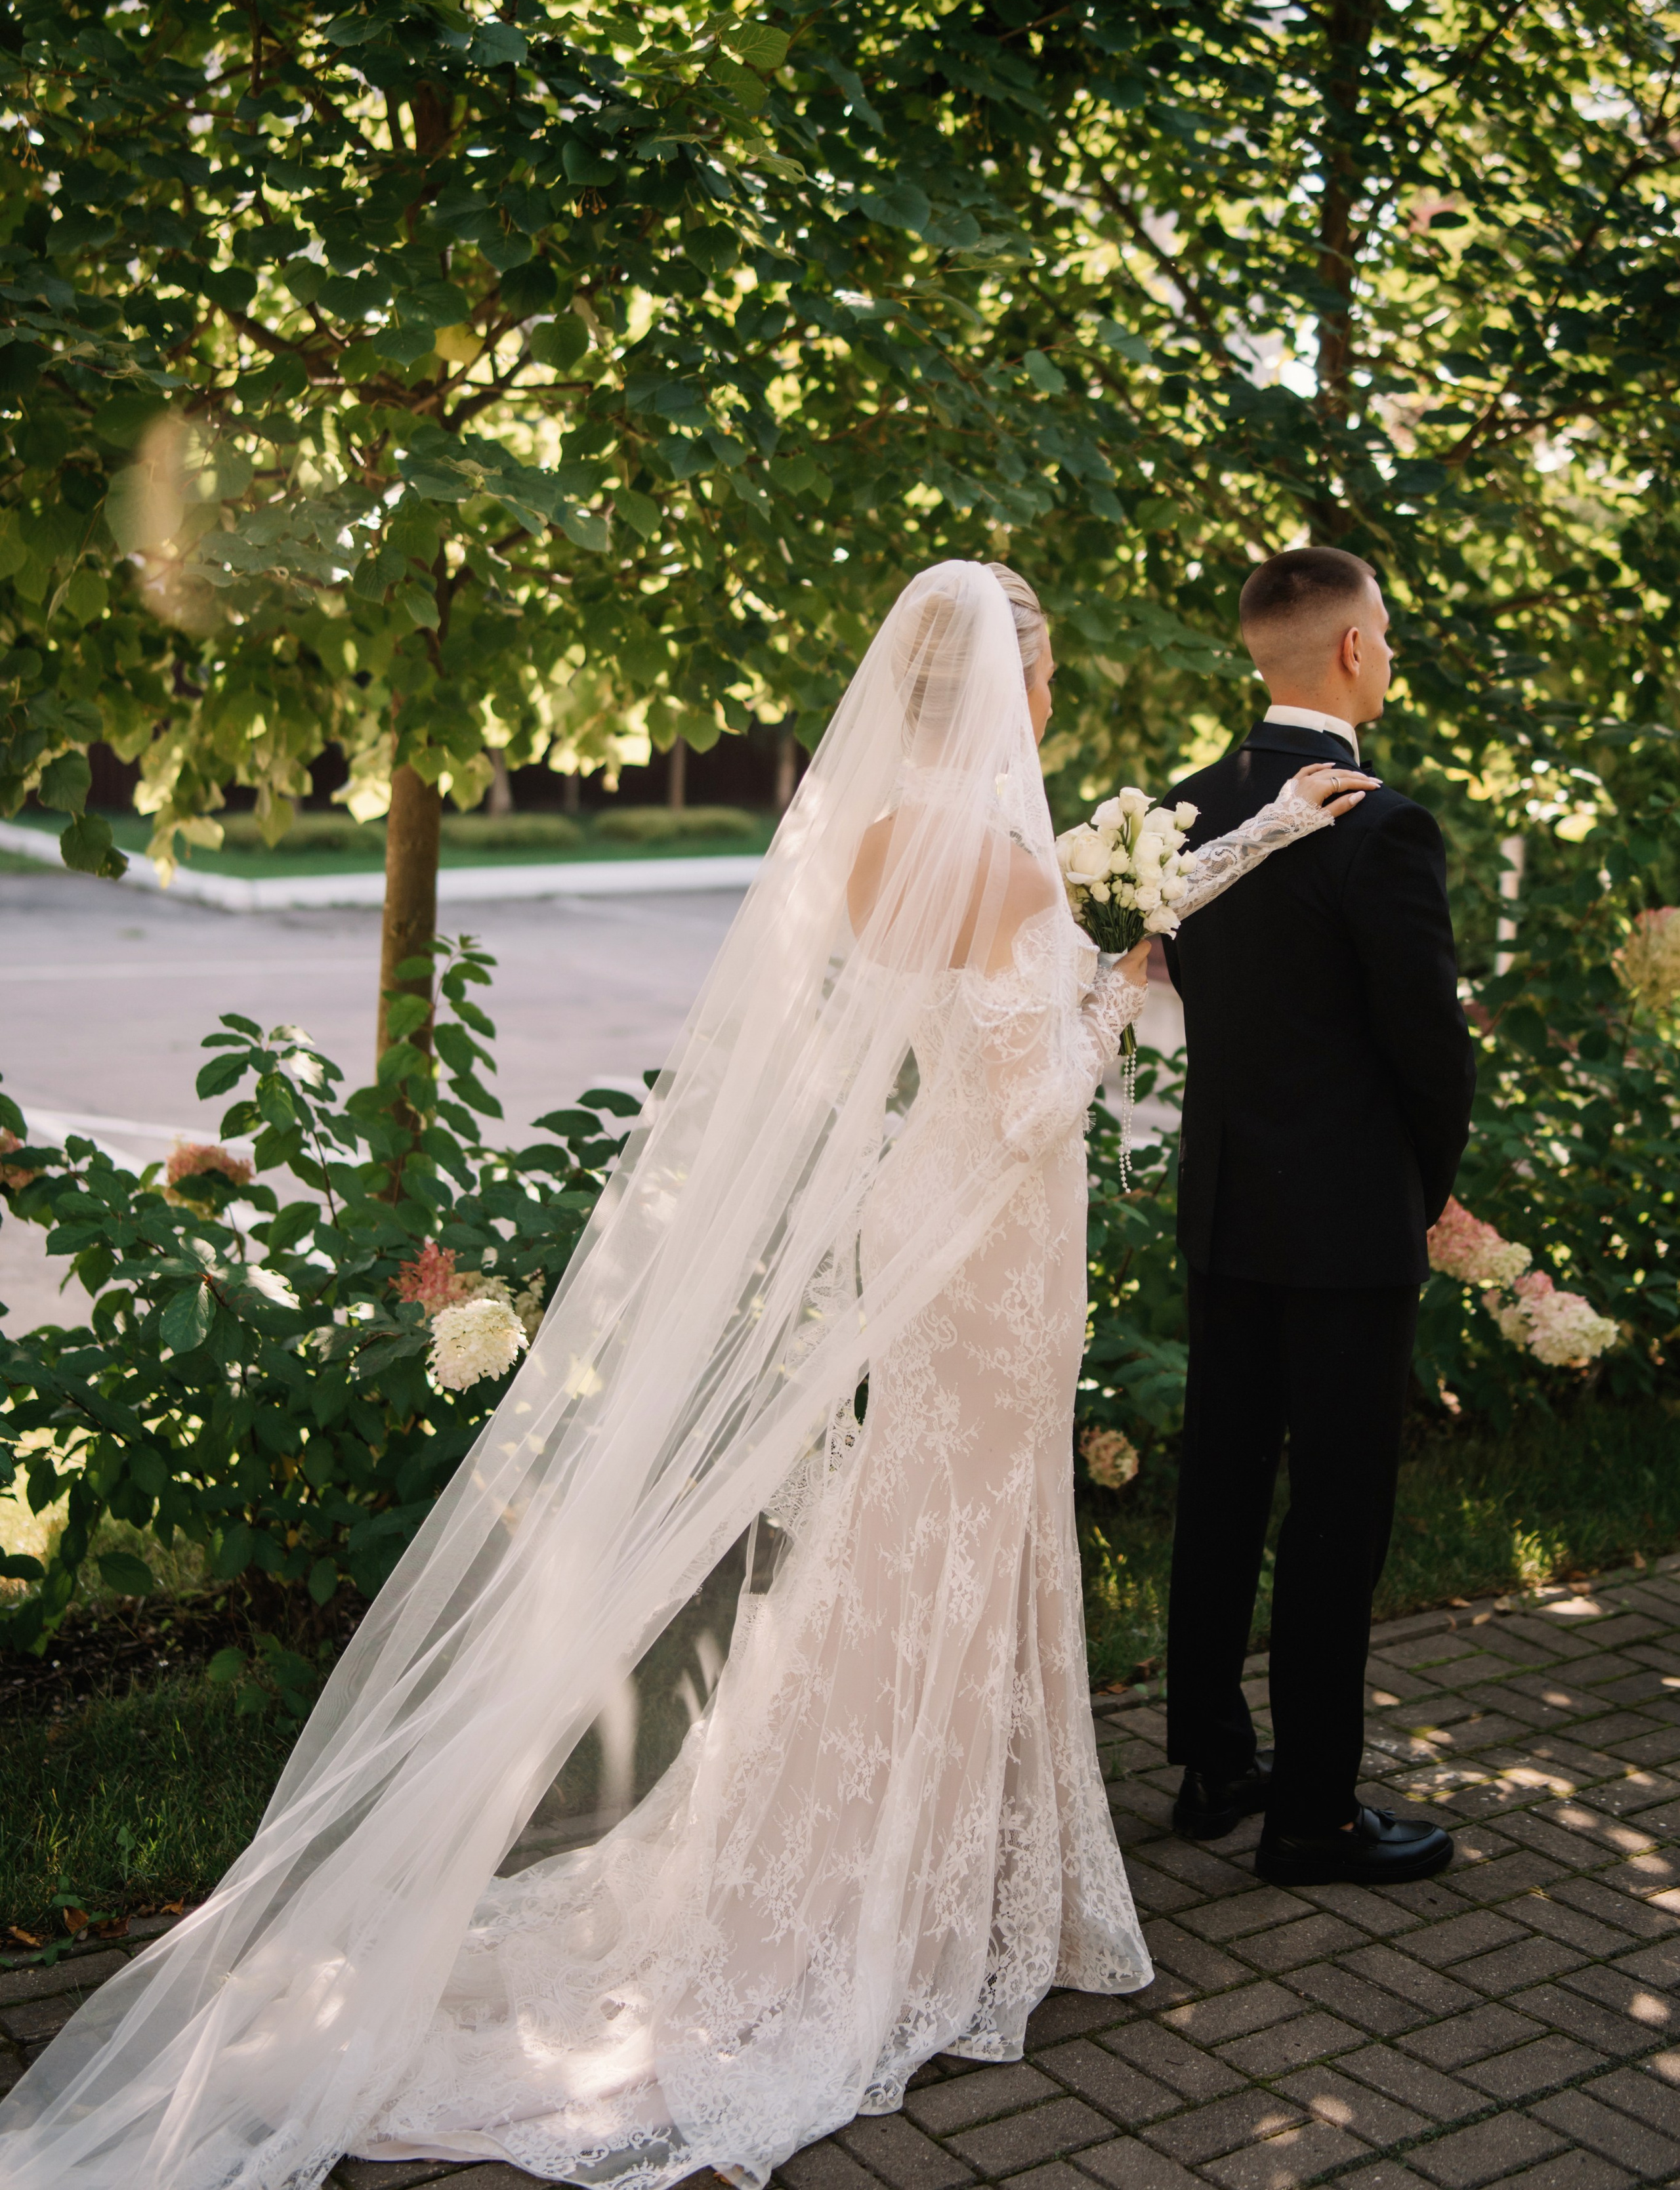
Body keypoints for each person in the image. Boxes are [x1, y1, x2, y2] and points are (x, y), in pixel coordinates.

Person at [0, 562, 1367, 2190]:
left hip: (912, 1211)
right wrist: (1118, 1002)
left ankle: (954, 1858)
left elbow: (978, 1020)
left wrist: (1240, 848)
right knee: (960, 1537)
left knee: (917, 1529)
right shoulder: (998, 855)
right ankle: (912, 1895)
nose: (1053, 705)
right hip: (989, 1241)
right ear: (1008, 695)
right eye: (1047, 679)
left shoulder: (878, 843)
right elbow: (1035, 1088)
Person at [1164, 545, 1477, 1885]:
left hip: (1225, 1206)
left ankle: (1210, 1763)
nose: (1391, 656)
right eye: (1388, 634)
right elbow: (1426, 1047)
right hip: (1345, 1223)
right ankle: (1311, 1814)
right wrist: (1430, 1181)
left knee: (1220, 1487)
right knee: (1334, 1513)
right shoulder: (1378, 821)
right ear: (1350, 650)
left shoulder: (1179, 812)